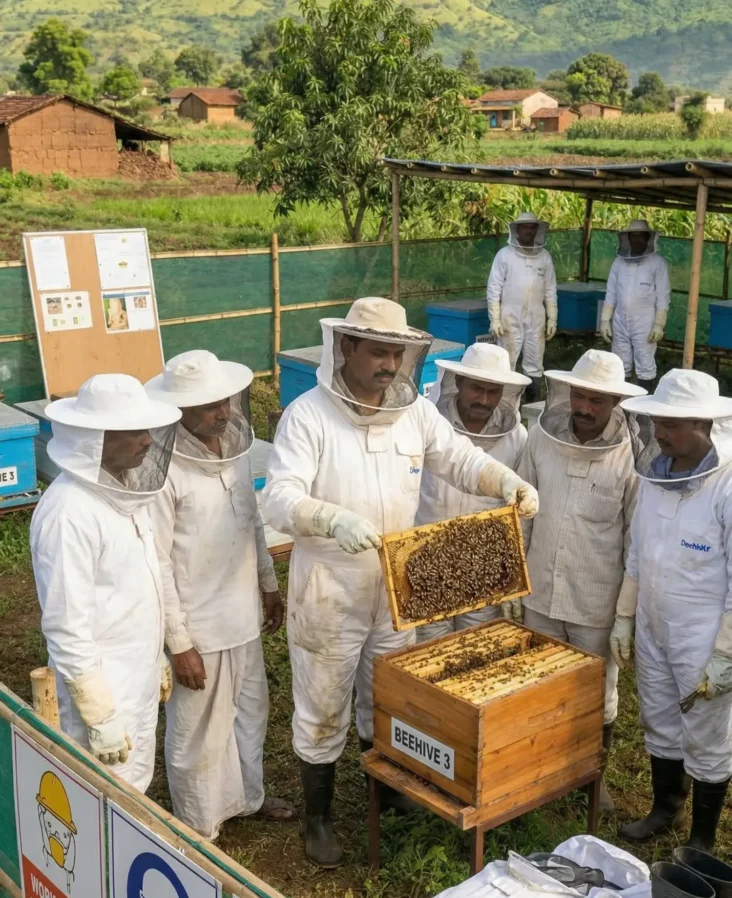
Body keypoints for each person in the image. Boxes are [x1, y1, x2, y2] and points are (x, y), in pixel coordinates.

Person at [261, 297, 538, 868]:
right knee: (323, 703)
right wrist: (329, 518)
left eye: (396, 354)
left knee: (386, 691)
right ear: (346, 348)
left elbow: (460, 459)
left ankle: (384, 789)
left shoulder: (414, 414)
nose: (389, 365)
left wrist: (503, 480)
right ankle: (318, 818)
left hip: (398, 586)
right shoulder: (309, 415)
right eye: (377, 352)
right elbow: (280, 497)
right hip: (330, 587)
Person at [145, 351, 295, 840]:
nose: (223, 412)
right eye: (210, 405)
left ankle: (247, 797)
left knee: (250, 711)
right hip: (199, 626)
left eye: (225, 401)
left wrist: (268, 585)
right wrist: (178, 643)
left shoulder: (234, 452)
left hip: (242, 613)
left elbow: (251, 524)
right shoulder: (163, 472)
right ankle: (199, 825)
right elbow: (158, 562)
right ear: (179, 410)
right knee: (197, 731)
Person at [30, 374, 181, 793]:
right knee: (100, 797)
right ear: (95, 439)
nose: (148, 441)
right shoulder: (69, 513)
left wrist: (154, 655)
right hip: (104, 688)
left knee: (134, 786)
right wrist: (98, 713)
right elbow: (66, 626)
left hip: (136, 674)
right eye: (133, 431)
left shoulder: (125, 492)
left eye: (147, 428)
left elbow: (134, 589)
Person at [515, 349, 646, 812]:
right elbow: (521, 511)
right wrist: (515, 577)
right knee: (538, 680)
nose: (585, 408)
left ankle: (593, 775)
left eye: (597, 400)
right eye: (580, 396)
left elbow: (635, 539)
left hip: (596, 598)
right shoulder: (540, 438)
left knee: (596, 689)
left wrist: (625, 613)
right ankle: (540, 766)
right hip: (539, 591)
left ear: (616, 403)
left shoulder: (632, 456)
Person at [612, 369, 732, 852]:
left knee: (706, 732)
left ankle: (701, 839)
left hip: (703, 635)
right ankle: (666, 808)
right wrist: (625, 616)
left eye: (670, 424)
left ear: (704, 425)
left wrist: (725, 654)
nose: (658, 432)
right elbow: (638, 554)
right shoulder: (654, 476)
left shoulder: (725, 486)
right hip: (653, 623)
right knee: (658, 717)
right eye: (656, 422)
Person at [415, 342, 530, 640]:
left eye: (493, 391)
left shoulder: (517, 437)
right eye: (476, 388)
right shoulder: (428, 425)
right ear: (459, 382)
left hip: (484, 565)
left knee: (477, 646)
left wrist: (512, 575)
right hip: (426, 559)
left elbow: (517, 513)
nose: (484, 399)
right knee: (431, 650)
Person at [486, 212, 558, 403]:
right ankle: (506, 405)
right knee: (506, 362)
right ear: (517, 230)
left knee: (535, 364)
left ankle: (532, 407)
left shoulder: (544, 257)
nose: (529, 231)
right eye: (525, 227)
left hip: (536, 318)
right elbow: (494, 288)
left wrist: (552, 318)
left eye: (532, 227)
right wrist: (495, 319)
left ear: (537, 230)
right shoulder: (504, 255)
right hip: (509, 317)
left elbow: (550, 289)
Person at [600, 219, 671, 391]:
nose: (637, 240)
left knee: (645, 364)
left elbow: (663, 296)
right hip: (620, 321)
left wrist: (659, 324)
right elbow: (611, 293)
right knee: (619, 364)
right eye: (634, 236)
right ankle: (620, 403)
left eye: (641, 236)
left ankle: (644, 404)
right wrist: (605, 320)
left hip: (645, 322)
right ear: (628, 238)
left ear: (648, 238)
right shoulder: (618, 263)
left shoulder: (657, 263)